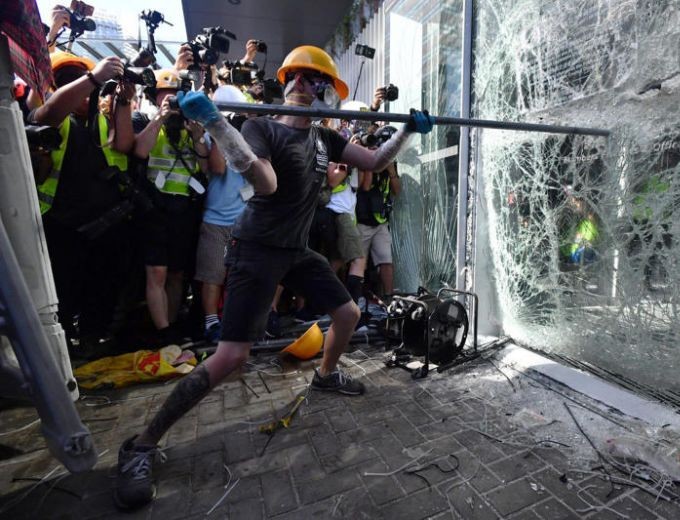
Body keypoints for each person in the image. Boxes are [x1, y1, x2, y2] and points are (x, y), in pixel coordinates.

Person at [113, 44, 433, 509]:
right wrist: (218, 124)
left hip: (296, 252)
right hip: (256, 252)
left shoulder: (325, 139)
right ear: (284, 85)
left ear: (324, 91)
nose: (300, 85)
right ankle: (140, 445)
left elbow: (375, 162)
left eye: (311, 80)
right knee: (231, 358)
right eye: (294, 78)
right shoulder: (259, 127)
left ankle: (325, 376)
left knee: (346, 312)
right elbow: (264, 182)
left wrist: (406, 131)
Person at [30, 51, 134, 353]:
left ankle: (93, 339)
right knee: (63, 290)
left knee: (102, 287)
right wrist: (92, 78)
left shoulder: (100, 119)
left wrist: (123, 102)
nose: (82, 90)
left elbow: (125, 145)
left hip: (105, 224)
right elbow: (48, 114)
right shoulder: (52, 113)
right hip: (62, 224)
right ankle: (60, 348)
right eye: (67, 80)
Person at [132, 68, 224, 346]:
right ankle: (162, 332)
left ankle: (171, 327)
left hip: (184, 210)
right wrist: (160, 118)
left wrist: (198, 137)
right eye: (165, 95)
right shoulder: (150, 123)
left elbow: (207, 168)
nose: (170, 100)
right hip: (156, 209)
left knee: (176, 274)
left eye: (175, 97)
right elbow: (139, 151)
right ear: (155, 96)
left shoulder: (191, 129)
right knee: (156, 272)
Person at [195, 85, 251, 343]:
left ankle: (235, 318)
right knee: (213, 273)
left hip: (243, 218)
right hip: (215, 219)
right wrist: (219, 131)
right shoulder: (208, 137)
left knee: (239, 275)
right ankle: (210, 323)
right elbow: (217, 167)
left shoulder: (248, 138)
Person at [356, 125, 402, 297]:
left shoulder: (391, 164)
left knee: (386, 261)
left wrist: (391, 172)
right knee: (359, 263)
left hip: (381, 222)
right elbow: (366, 186)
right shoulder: (368, 158)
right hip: (363, 221)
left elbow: (397, 191)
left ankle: (389, 298)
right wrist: (372, 161)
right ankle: (355, 298)